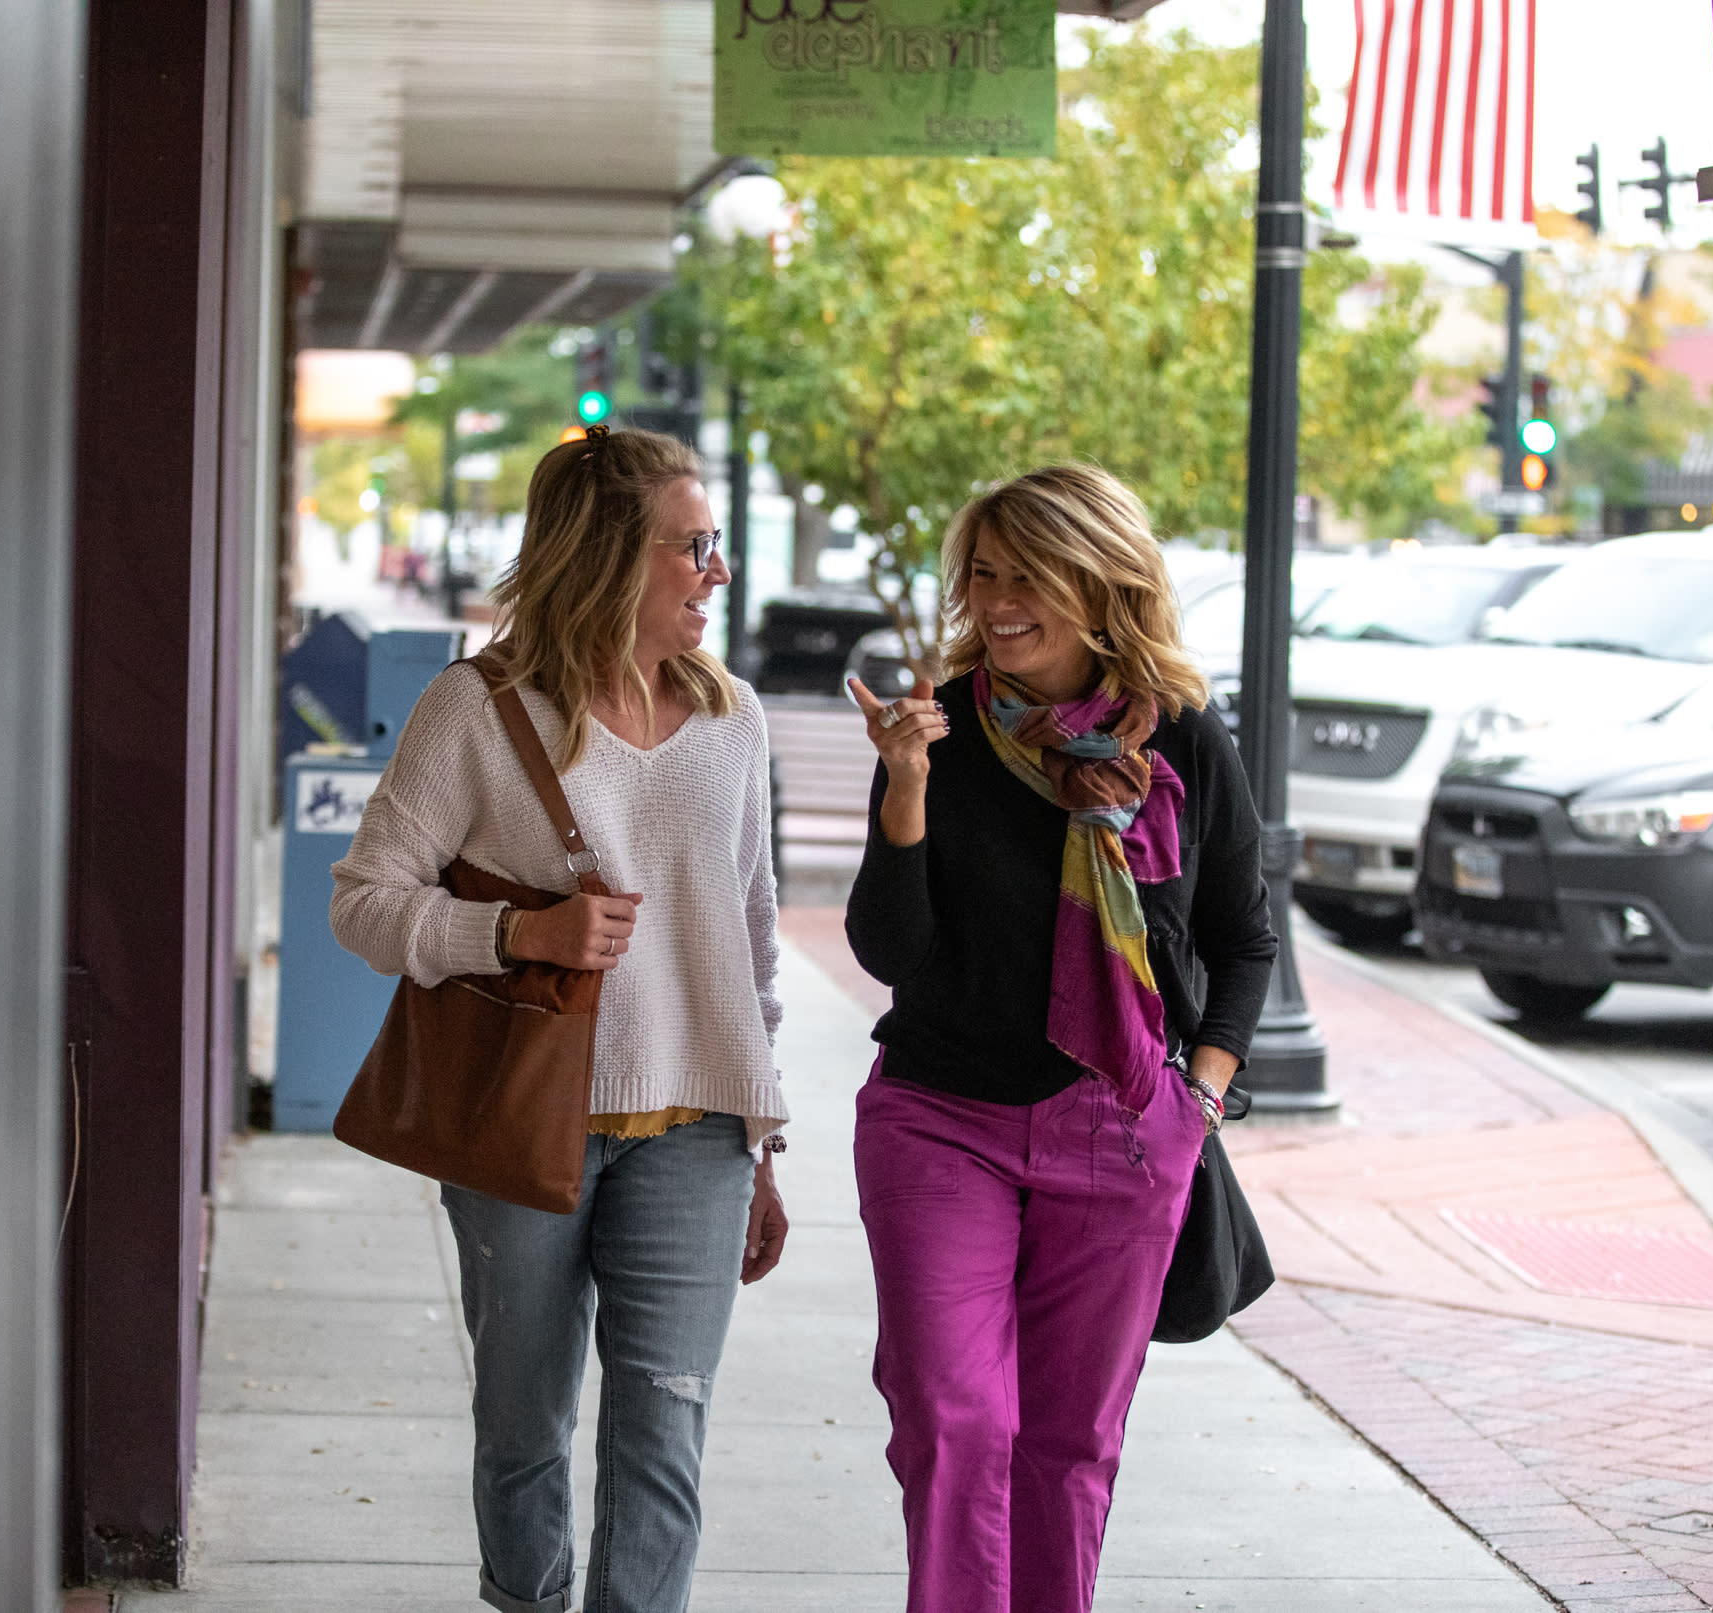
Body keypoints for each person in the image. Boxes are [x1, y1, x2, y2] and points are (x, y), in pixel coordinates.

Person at [329, 423, 791, 1613]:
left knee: (664, 1428)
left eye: (716, 544)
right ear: (608, 558)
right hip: (522, 1120)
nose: (717, 572)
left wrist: (763, 1135)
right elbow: (366, 903)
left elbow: (749, 934)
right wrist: (515, 934)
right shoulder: (478, 709)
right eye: (694, 547)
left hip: (696, 1131)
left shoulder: (733, 718)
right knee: (524, 1420)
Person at [842, 464, 1279, 1613]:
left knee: (1069, 1442)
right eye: (982, 573)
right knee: (954, 1415)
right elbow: (888, 949)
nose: (996, 599)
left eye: (1027, 573)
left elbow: (1243, 941)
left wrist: (1203, 1096)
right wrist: (903, 786)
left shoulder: (1183, 739)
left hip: (1122, 1130)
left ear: (1100, 580)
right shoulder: (938, 726)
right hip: (942, 1115)